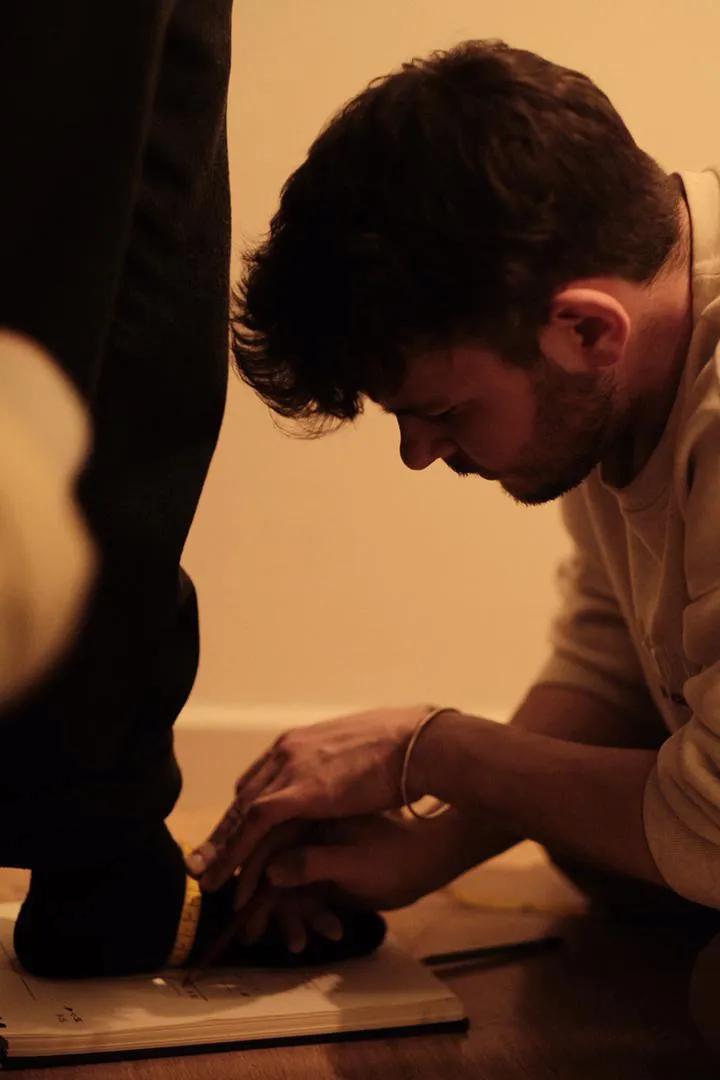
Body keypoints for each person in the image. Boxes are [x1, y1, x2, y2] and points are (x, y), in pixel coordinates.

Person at [188, 41, 720, 950]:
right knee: (600, 848)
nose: (419, 454)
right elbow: (618, 664)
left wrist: (429, 749)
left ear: (587, 328)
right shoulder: (622, 364)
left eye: (442, 412)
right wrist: (432, 846)